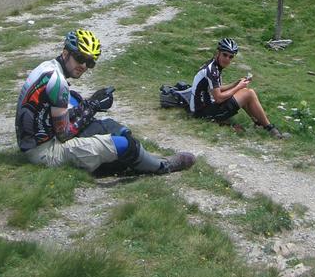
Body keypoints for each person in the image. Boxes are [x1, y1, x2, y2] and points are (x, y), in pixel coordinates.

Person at [15, 28, 195, 175]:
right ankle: (163, 167)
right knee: (124, 144)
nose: (84, 66)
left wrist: (89, 105)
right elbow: (64, 134)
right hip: (45, 152)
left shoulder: (46, 68)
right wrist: (92, 107)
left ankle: (143, 157)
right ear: (65, 53)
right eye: (80, 58)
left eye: (90, 62)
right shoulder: (59, 83)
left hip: (34, 141)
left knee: (103, 122)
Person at [189, 37, 285, 138]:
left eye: (231, 57)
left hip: (201, 109)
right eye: (225, 55)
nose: (227, 59)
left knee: (244, 92)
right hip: (202, 114)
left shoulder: (213, 66)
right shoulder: (212, 71)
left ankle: (259, 123)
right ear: (218, 52)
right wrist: (238, 87)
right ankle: (269, 128)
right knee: (249, 93)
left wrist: (235, 84)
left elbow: (217, 89)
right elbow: (218, 98)